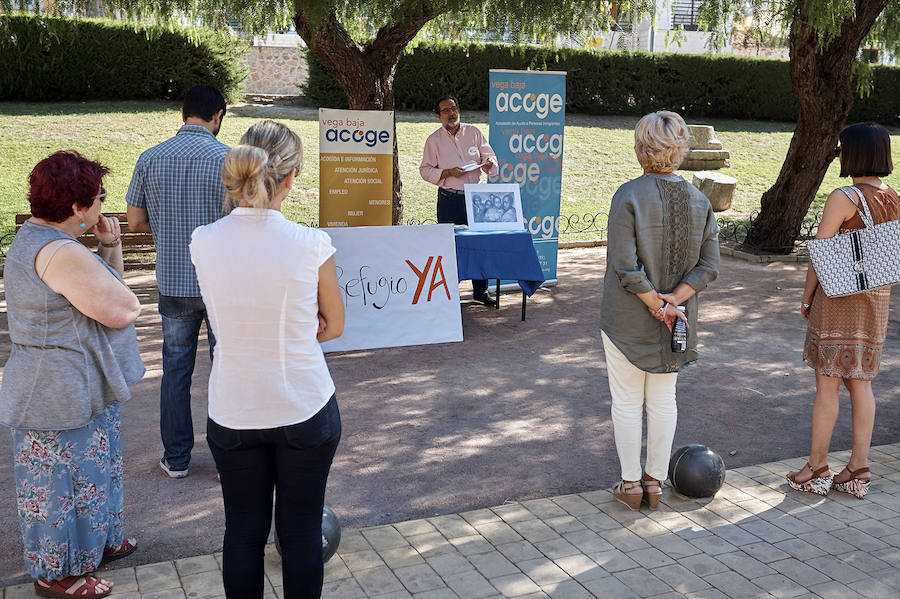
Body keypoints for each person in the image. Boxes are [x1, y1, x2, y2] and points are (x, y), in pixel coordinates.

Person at [190, 120, 345, 599]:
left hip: (234, 407)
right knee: (301, 532)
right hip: (304, 403)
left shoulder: (203, 240)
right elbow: (334, 325)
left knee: (242, 531)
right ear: (291, 176)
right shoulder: (311, 244)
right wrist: (300, 327)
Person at [1, 151, 144, 598]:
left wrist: (109, 246)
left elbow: (106, 295)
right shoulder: (60, 252)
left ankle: (100, 541)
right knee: (59, 485)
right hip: (56, 387)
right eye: (100, 197)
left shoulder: (41, 237)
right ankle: (58, 574)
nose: (103, 204)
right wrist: (108, 266)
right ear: (78, 206)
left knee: (93, 469)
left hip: (71, 381)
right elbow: (123, 308)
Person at [600, 111, 720, 511]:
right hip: (677, 319)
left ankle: (631, 485)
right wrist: (673, 301)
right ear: (680, 149)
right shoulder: (700, 200)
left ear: (641, 149)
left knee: (626, 401)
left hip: (628, 318)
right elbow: (709, 265)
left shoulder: (628, 195)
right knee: (664, 399)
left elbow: (624, 264)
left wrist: (655, 302)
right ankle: (653, 484)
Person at [788, 122, 898, 499]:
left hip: (840, 300)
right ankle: (858, 469)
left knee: (828, 384)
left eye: (841, 149)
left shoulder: (844, 196)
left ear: (853, 154)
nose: (838, 155)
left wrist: (806, 299)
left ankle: (816, 468)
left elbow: (820, 256)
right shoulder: (893, 197)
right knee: (861, 383)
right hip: (876, 300)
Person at [126, 84, 230, 478]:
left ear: (182, 114)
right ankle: (228, 457)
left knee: (175, 370)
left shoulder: (149, 158)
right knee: (227, 369)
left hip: (172, 280)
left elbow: (135, 221)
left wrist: (168, 227)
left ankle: (176, 458)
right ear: (218, 116)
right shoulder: (230, 160)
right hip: (221, 284)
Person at [420, 95, 500, 305]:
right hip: (449, 199)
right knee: (449, 246)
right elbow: (425, 170)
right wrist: (447, 172)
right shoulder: (434, 140)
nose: (451, 113)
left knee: (479, 245)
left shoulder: (473, 133)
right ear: (438, 116)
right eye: (446, 110)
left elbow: (490, 159)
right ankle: (448, 294)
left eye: (453, 108)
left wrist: (489, 163)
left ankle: (481, 292)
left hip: (476, 199)